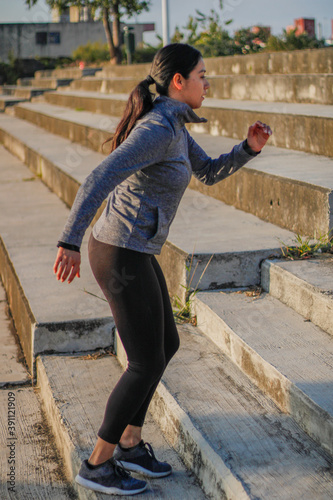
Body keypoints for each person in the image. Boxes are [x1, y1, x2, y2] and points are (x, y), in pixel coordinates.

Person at [53, 43, 272, 496]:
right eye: (202, 76)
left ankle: (130, 443)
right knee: (144, 360)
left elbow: (208, 172)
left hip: (136, 249)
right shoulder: (156, 128)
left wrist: (247, 149)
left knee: (166, 344)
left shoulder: (174, 126)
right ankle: (97, 463)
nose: (207, 83)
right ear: (179, 82)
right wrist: (69, 240)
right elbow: (99, 177)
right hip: (117, 250)